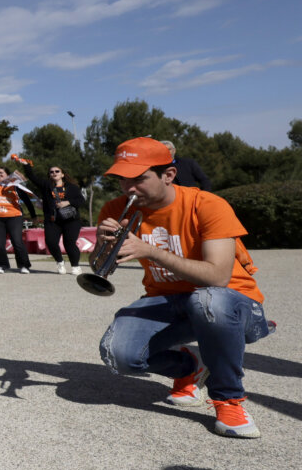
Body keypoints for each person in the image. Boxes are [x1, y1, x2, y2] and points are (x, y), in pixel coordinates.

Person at [94, 137, 273, 438]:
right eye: (123, 180)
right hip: (168, 300)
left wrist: (150, 251)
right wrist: (102, 246)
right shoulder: (115, 209)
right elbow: (101, 268)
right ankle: (190, 368)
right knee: (117, 354)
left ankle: (228, 398)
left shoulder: (207, 205)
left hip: (231, 302)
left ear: (168, 175)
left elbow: (217, 277)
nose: (128, 189)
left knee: (208, 301)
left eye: (138, 178)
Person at [16, 157, 86, 275]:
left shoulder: (72, 187)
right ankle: (60, 262)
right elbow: (32, 177)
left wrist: (67, 202)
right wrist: (26, 165)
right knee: (51, 242)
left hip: (71, 220)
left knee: (69, 243)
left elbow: (81, 200)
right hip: (52, 220)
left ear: (62, 174)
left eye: (57, 171)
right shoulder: (46, 185)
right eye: (51, 172)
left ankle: (75, 266)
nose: (54, 173)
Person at [0, 166, 36, 274]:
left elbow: (27, 201)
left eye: (1, 173)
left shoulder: (16, 186)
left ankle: (24, 265)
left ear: (7, 175)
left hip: (14, 216)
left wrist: (33, 216)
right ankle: (2, 265)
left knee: (17, 241)